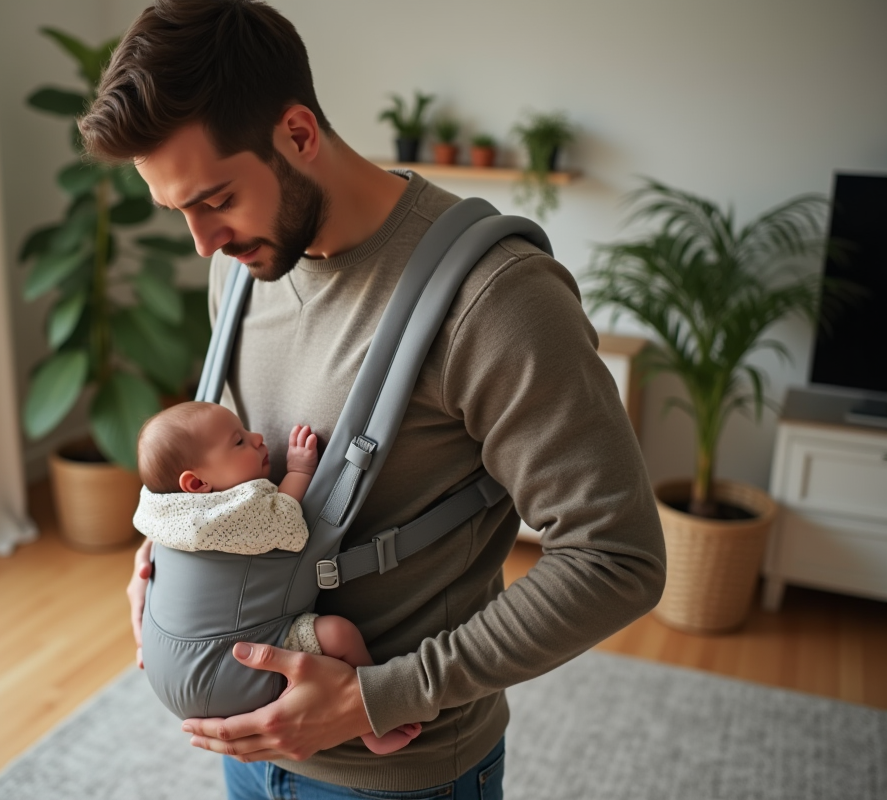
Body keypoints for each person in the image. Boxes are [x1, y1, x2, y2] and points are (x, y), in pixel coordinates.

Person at [78, 1, 667, 797]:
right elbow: (220, 473)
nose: (200, 242)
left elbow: (617, 559)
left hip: (399, 776)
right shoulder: (242, 268)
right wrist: (170, 563)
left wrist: (374, 698)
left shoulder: (496, 302)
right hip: (247, 754)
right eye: (177, 210)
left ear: (297, 134)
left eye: (214, 200)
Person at [132, 401, 423, 755]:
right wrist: (299, 470)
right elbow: (284, 522)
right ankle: (371, 720)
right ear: (196, 483)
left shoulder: (164, 510)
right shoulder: (234, 516)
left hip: (166, 665)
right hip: (229, 673)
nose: (257, 438)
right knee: (338, 634)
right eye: (238, 441)